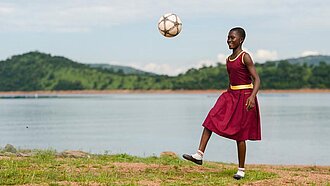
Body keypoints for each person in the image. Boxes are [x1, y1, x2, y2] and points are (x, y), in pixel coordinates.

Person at [182, 27, 261, 180]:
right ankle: (199, 155)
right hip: (230, 94)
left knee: (240, 134)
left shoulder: (245, 57)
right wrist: (226, 97)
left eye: (233, 38)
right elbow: (233, 80)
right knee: (211, 119)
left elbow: (257, 79)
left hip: (245, 97)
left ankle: (241, 170)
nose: (229, 40)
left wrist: (252, 97)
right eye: (228, 37)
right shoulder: (228, 59)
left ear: (241, 40)